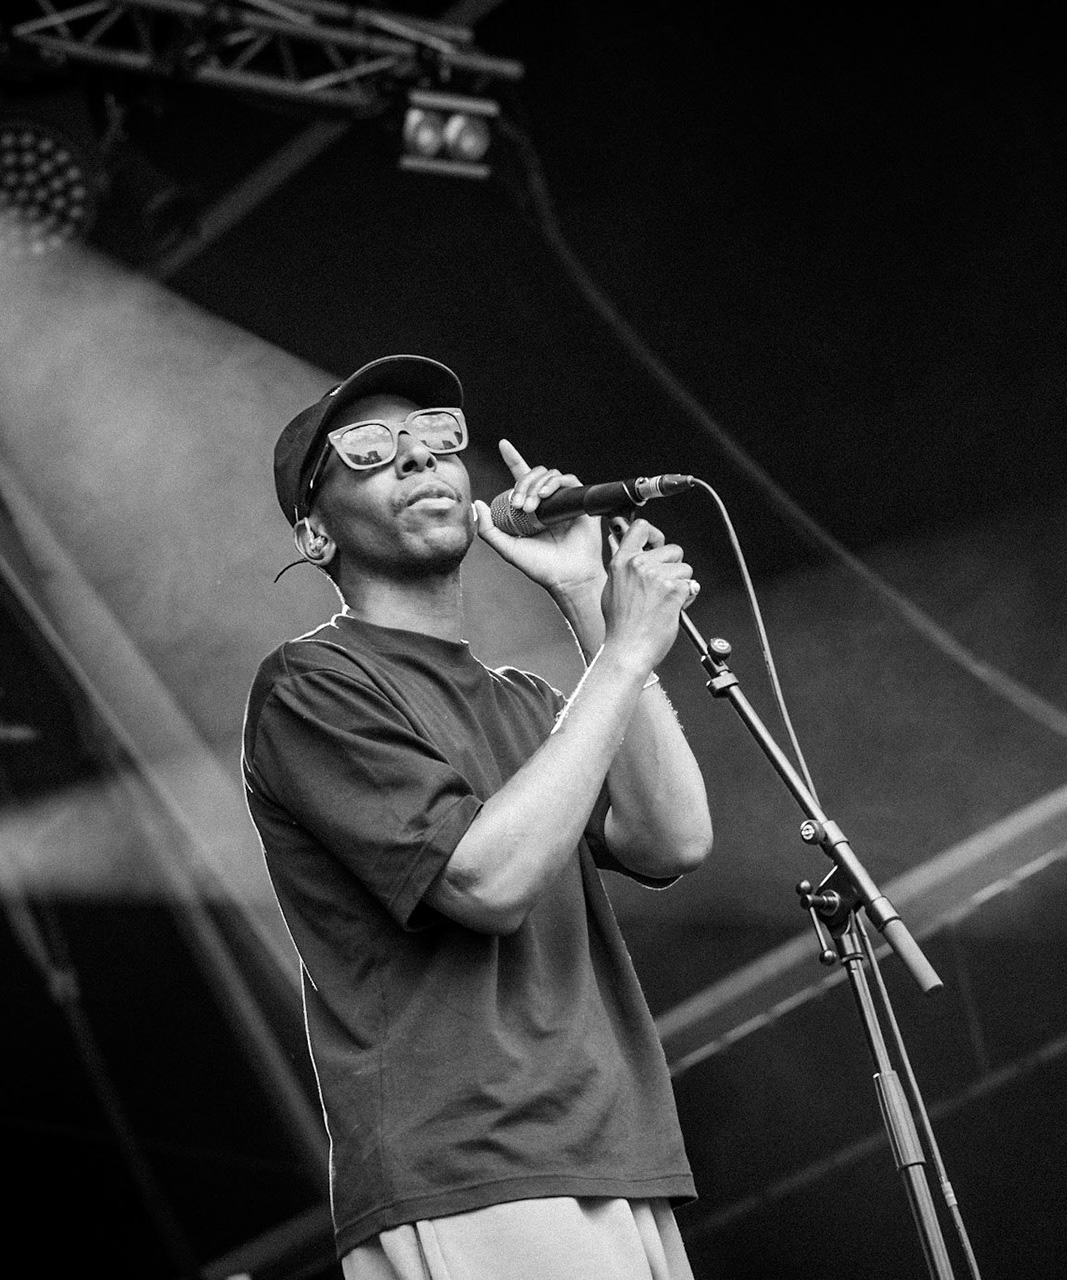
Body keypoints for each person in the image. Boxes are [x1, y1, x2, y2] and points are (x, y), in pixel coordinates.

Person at [242, 354, 714, 1280]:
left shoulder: (532, 702)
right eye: (370, 450)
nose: (418, 460)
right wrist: (622, 656)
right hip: (472, 1168)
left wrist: (585, 599)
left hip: (613, 1151)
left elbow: (674, 839)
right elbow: (485, 881)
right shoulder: (312, 685)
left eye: (438, 438)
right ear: (316, 532)